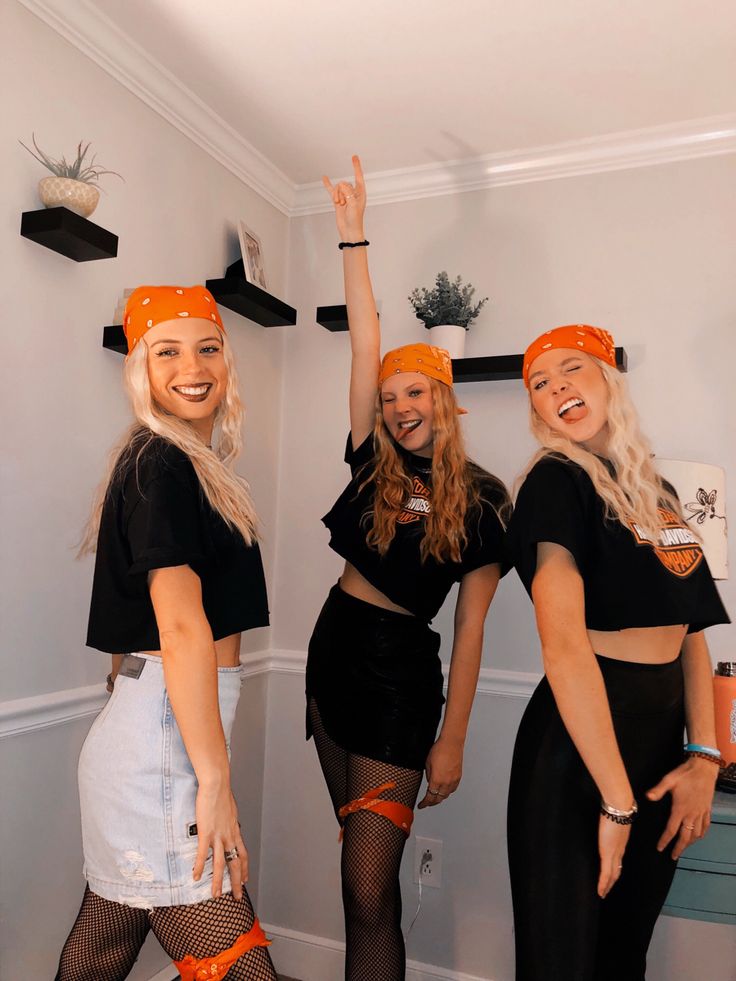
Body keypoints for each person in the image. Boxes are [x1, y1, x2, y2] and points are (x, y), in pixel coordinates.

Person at [307, 156, 511, 981]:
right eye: (389, 396)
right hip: (332, 652)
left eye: (413, 392)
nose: (397, 404)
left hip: (400, 679)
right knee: (354, 871)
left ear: (445, 396)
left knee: (368, 887)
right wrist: (352, 234)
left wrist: (451, 737)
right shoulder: (371, 463)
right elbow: (365, 339)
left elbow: (469, 629)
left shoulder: (488, 500)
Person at [56, 286, 277, 981]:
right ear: (141, 368)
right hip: (162, 750)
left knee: (101, 947)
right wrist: (213, 780)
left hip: (155, 729)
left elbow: (136, 631)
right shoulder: (163, 462)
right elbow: (179, 626)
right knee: (246, 971)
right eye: (168, 350)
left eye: (208, 347)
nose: (194, 365)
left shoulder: (185, 464)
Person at [506, 324, 730, 981]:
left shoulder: (654, 492)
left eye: (572, 369)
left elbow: (691, 634)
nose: (557, 389)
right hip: (579, 751)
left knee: (622, 954)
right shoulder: (555, 481)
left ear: (609, 379)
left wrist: (704, 755)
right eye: (540, 384)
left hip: (659, 745)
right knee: (563, 961)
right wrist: (615, 800)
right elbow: (565, 646)